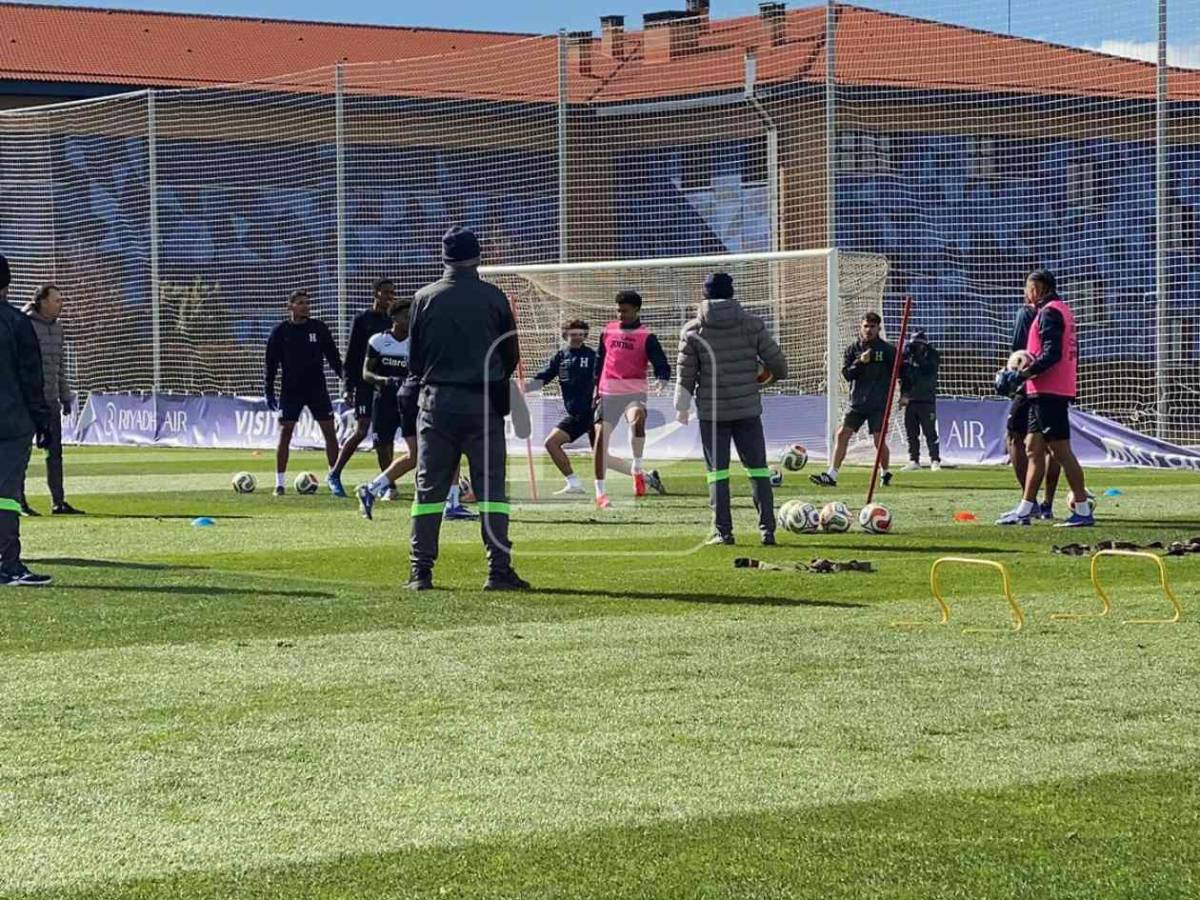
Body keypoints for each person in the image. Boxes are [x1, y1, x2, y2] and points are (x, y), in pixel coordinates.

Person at [404, 225, 528, 591]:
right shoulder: (494, 298)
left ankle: (420, 571)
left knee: (429, 491)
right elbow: (510, 357)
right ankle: (498, 569)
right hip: (482, 403)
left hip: (436, 403)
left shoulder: (423, 297)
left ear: (444, 257)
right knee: (492, 491)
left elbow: (414, 361)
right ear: (478, 257)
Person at [675, 272, 787, 546]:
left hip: (712, 413)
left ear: (705, 294)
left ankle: (723, 532)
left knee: (717, 473)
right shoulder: (752, 325)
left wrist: (680, 406)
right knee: (759, 470)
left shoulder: (693, 330)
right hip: (747, 408)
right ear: (733, 293)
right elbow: (780, 365)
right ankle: (767, 531)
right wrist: (763, 379)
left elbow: (686, 374)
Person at [997, 269, 1094, 527]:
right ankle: (1025, 508)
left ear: (1037, 289)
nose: (1025, 294)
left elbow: (1052, 354)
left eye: (1027, 289)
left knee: (1060, 450)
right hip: (1043, 390)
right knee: (1032, 446)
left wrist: (1023, 374)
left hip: (1049, 391)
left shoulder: (1050, 312)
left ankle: (1083, 509)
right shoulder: (1060, 310)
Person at [0, 255, 53, 585]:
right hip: (11, 422)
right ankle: (8, 563)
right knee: (5, 494)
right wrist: (43, 422)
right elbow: (33, 379)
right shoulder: (17, 323)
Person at [593, 291, 670, 509]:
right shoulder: (608, 330)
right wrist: (594, 388)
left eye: (625, 311)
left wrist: (662, 379)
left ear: (636, 310)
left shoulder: (647, 336)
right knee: (601, 437)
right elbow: (600, 361)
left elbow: (661, 364)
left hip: (634, 393)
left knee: (637, 420)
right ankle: (600, 493)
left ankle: (637, 468)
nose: (621, 314)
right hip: (608, 392)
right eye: (618, 310)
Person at [264, 290, 343, 496]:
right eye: (300, 303)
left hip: (317, 388)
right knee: (285, 433)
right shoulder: (280, 332)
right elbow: (270, 364)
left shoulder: (319, 328)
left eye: (307, 303)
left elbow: (333, 357)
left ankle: (334, 478)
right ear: (289, 307)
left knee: (329, 433)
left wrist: (346, 380)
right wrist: (269, 390)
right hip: (291, 390)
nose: (305, 306)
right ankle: (279, 483)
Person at [327, 278, 395, 498]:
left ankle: (387, 482)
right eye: (385, 293)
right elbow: (352, 356)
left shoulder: (393, 321)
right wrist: (348, 387)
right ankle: (335, 473)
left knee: (384, 436)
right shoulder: (362, 320)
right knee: (362, 429)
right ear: (375, 294)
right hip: (365, 384)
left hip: (385, 386)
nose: (389, 297)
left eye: (392, 293)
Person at [811, 311, 895, 488]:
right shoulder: (853, 349)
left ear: (879, 328)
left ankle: (885, 472)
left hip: (879, 403)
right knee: (842, 435)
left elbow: (899, 373)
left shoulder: (888, 350)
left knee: (878, 440)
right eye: (866, 326)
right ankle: (831, 475)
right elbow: (847, 375)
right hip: (857, 402)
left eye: (872, 326)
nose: (869, 330)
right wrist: (860, 362)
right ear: (861, 327)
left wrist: (905, 394)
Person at [20, 284, 83, 515]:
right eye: (57, 300)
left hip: (51, 402)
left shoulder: (58, 328)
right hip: (28, 403)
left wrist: (65, 397)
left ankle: (58, 501)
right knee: (21, 453)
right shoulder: (23, 325)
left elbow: (60, 366)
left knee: (55, 453)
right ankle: (20, 501)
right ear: (42, 302)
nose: (61, 304)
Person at [526, 319, 598, 496]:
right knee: (602, 455)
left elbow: (602, 379)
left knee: (551, 443)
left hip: (586, 412)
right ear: (565, 335)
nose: (577, 338)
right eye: (573, 334)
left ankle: (574, 483)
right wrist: (525, 388)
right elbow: (545, 376)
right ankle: (646, 477)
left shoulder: (592, 356)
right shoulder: (560, 356)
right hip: (575, 411)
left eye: (581, 335)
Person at [1005, 296, 1061, 519]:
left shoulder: (1028, 314)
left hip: (1031, 383)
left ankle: (1029, 502)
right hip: (1058, 385)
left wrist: (1015, 374)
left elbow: (1019, 353)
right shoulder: (1062, 312)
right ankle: (1046, 504)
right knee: (1054, 444)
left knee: (1014, 437)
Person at [899, 329, 941, 472]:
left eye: (918, 344)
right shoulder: (908, 357)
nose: (915, 347)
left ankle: (935, 460)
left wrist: (919, 356)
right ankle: (913, 459)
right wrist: (904, 394)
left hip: (926, 400)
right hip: (911, 400)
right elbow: (904, 377)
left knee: (930, 432)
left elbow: (929, 370)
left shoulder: (932, 355)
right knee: (911, 432)